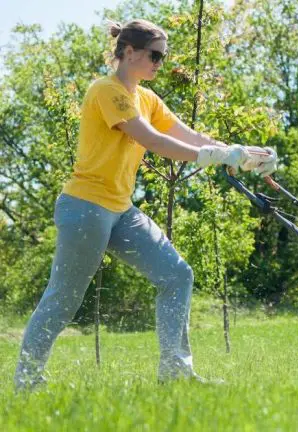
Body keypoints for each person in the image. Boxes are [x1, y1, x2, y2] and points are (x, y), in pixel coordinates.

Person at [13, 18, 277, 390]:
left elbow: (188, 135)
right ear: (129, 52)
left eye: (163, 57)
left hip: (120, 210)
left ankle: (176, 373)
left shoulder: (147, 97)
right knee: (63, 301)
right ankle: (27, 384)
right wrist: (213, 156)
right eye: (154, 55)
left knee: (176, 275)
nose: (159, 63)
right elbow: (151, 140)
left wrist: (242, 154)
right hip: (85, 208)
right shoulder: (107, 90)